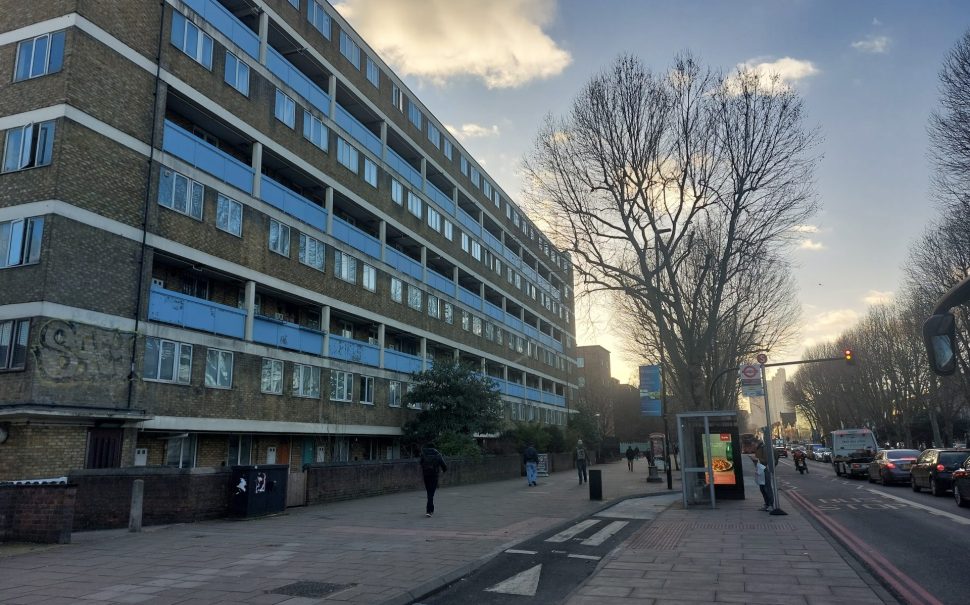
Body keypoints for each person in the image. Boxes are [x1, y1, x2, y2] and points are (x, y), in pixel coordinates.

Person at [419, 443, 447, 517]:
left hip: (426, 476)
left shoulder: (423, 454)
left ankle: (431, 509)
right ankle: (429, 511)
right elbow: (444, 466)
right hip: (434, 476)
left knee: (429, 492)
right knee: (431, 493)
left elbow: (420, 463)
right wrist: (441, 471)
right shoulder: (438, 455)